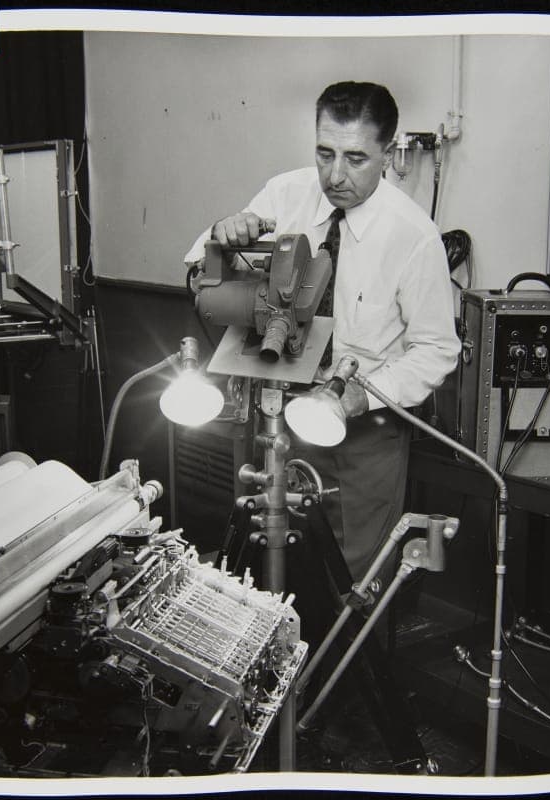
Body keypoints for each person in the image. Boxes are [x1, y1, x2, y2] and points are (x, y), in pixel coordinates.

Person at [184, 81, 460, 589]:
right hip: (277, 418)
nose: (335, 175)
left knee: (354, 585)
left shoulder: (413, 236)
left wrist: (360, 396)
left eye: (355, 158)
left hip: (364, 433)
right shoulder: (283, 194)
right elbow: (200, 261)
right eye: (324, 153)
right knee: (268, 573)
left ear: (387, 154)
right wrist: (225, 230)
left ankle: (349, 668)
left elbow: (438, 350)